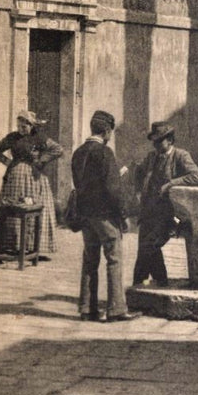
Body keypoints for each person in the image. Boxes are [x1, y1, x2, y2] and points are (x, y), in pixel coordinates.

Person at [70, 109, 132, 322]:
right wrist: (123, 215)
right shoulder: (105, 153)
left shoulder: (78, 153)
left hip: (85, 214)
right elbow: (112, 190)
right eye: (110, 132)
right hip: (104, 215)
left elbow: (80, 184)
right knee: (114, 259)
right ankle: (116, 309)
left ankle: (87, 308)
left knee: (90, 260)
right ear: (106, 131)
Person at [132, 121, 198, 287]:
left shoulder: (181, 156)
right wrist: (138, 191)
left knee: (149, 245)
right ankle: (158, 280)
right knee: (145, 246)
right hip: (149, 211)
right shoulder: (151, 157)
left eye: (159, 141)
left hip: (169, 213)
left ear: (170, 140)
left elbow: (196, 177)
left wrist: (171, 184)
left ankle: (141, 282)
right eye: (154, 141)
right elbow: (138, 172)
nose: (155, 145)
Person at [0, 111, 62, 258]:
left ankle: (32, 247)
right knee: (13, 208)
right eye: (19, 126)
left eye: (24, 126)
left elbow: (58, 149)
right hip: (14, 179)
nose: (21, 129)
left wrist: (41, 160)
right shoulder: (12, 137)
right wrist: (6, 162)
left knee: (33, 208)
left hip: (34, 179)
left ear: (31, 125)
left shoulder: (39, 138)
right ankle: (13, 245)